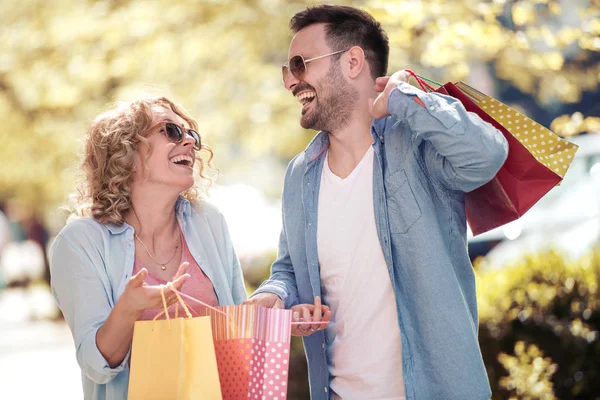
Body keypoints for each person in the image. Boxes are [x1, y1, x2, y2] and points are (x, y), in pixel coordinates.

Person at [245, 5, 508, 400]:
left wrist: (405, 99)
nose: (290, 82)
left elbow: (486, 155)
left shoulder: (417, 144)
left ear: (353, 61)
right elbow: (289, 267)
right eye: (287, 70)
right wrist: (276, 295)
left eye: (299, 64)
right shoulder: (300, 175)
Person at [49, 96, 246, 400]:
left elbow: (235, 329)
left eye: (191, 134)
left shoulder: (208, 221)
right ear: (127, 151)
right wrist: (130, 307)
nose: (189, 143)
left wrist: (276, 312)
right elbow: (96, 365)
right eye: (171, 130)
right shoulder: (79, 242)